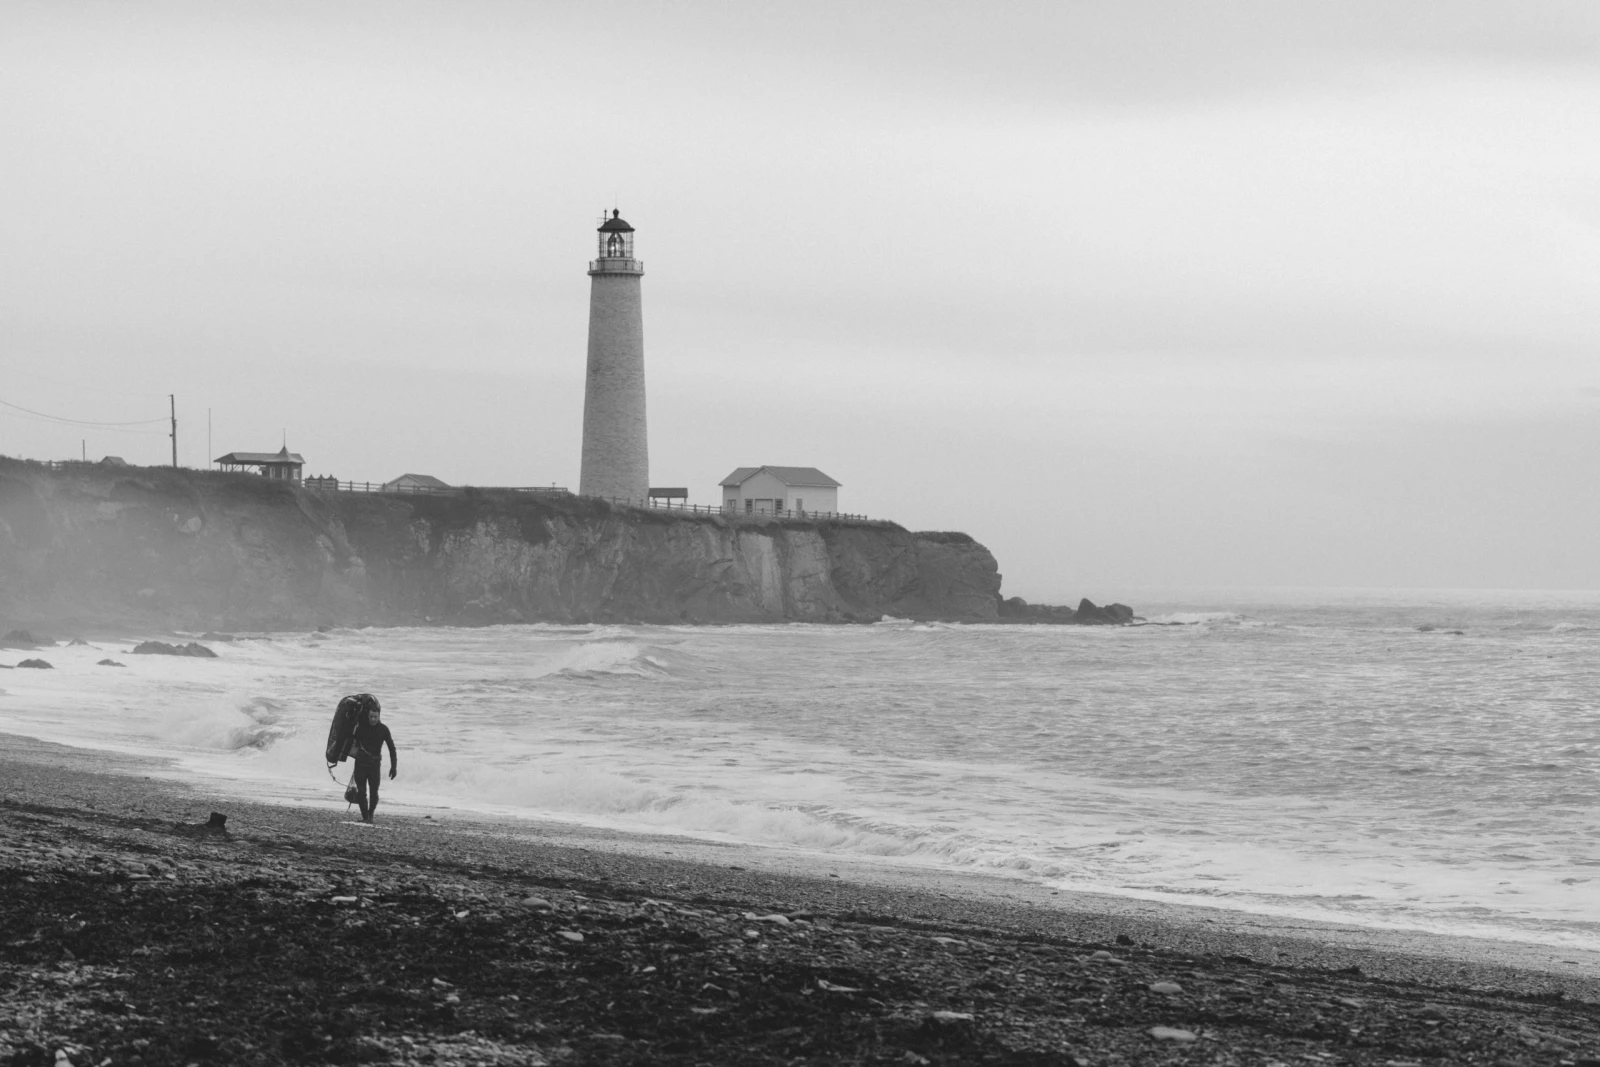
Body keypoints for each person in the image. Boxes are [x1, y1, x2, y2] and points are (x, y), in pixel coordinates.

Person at [349, 694, 397, 823]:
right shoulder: (361, 728)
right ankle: (365, 817)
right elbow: (350, 740)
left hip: (375, 764)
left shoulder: (384, 730)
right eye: (371, 716)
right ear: (367, 715)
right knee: (361, 792)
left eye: (375, 717)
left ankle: (370, 815)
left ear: (379, 715)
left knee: (374, 793)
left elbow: (392, 748)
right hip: (360, 763)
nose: (373, 719)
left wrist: (394, 766)